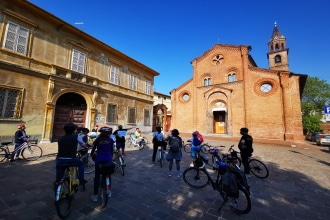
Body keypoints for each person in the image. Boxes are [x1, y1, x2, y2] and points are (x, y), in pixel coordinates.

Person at [55, 123, 88, 188]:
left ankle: (57, 189)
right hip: (71, 159)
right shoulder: (76, 136)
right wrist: (86, 148)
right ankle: (81, 180)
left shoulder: (60, 138)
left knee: (58, 178)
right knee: (81, 164)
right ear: (74, 130)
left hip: (59, 159)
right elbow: (82, 144)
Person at [90, 126, 116, 202]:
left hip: (99, 160)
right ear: (108, 133)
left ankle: (95, 195)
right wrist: (110, 158)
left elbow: (93, 150)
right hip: (108, 159)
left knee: (97, 177)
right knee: (108, 175)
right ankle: (109, 191)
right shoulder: (111, 140)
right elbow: (111, 151)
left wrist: (92, 155)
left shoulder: (97, 140)